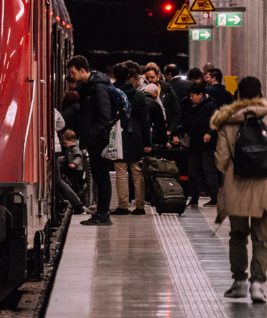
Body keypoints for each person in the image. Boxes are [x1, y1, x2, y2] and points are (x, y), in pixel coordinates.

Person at [211, 76, 267, 304]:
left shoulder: (228, 122)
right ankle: (257, 285)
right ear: (261, 94)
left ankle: (239, 282)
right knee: (262, 237)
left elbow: (221, 159)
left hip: (237, 186)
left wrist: (233, 172)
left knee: (238, 235)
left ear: (238, 96)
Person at [67, 56, 115, 226]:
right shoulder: (89, 87)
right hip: (95, 140)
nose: (71, 76)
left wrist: (90, 136)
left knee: (102, 177)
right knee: (98, 177)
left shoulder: (98, 87)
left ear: (82, 70)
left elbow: (104, 117)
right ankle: (100, 213)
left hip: (99, 140)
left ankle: (104, 214)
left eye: (73, 72)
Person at [112, 66, 152, 215]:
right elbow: (145, 121)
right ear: (129, 75)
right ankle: (140, 206)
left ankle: (123, 206)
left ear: (114, 75)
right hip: (136, 136)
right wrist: (147, 143)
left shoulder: (112, 93)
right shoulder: (139, 95)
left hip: (118, 137)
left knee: (121, 173)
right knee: (137, 173)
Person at [177, 83, 219, 207]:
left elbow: (216, 121)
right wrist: (173, 131)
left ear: (200, 94)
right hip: (194, 143)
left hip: (207, 145)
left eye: (192, 96)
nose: (191, 98)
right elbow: (187, 123)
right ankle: (194, 197)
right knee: (192, 171)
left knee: (209, 170)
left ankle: (215, 197)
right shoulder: (192, 106)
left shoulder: (211, 105)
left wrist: (209, 133)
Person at [146, 66, 181, 145]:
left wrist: (171, 129)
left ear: (158, 76)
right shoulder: (143, 91)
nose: (150, 80)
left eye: (152, 77)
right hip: (150, 132)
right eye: (147, 78)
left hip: (165, 130)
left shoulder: (167, 89)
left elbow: (176, 111)